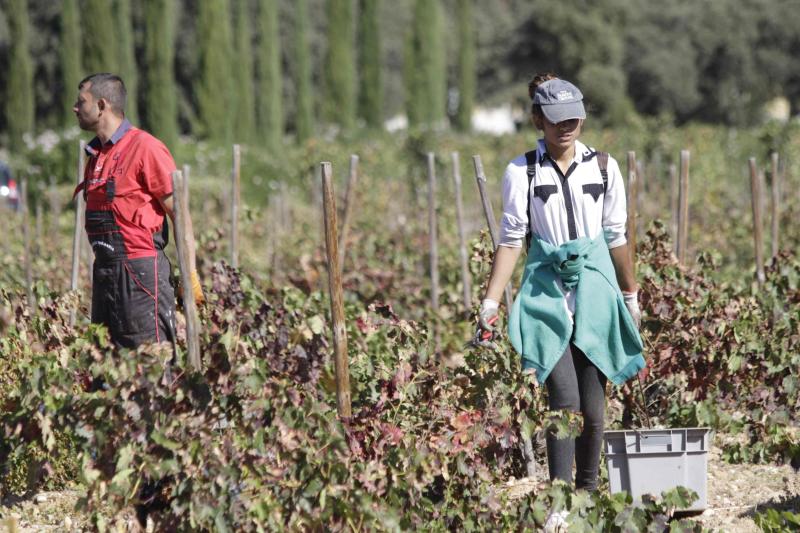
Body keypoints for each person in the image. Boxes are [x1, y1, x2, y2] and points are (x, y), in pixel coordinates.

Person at [476, 74, 645, 497]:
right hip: (546, 293)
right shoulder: (523, 172)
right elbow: (512, 239)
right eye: (556, 119)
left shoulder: (604, 167)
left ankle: (587, 496)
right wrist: (490, 303)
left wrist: (630, 295)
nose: (566, 127)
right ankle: (559, 500)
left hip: (595, 291)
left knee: (592, 407)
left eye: (573, 118)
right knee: (564, 399)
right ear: (538, 120)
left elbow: (616, 236)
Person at [72, 73, 204, 349]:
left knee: (150, 370)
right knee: (105, 371)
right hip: (105, 272)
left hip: (141, 276)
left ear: (102, 105)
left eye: (81, 101)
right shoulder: (96, 156)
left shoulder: (145, 148)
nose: (74, 107)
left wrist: (189, 274)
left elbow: (180, 215)